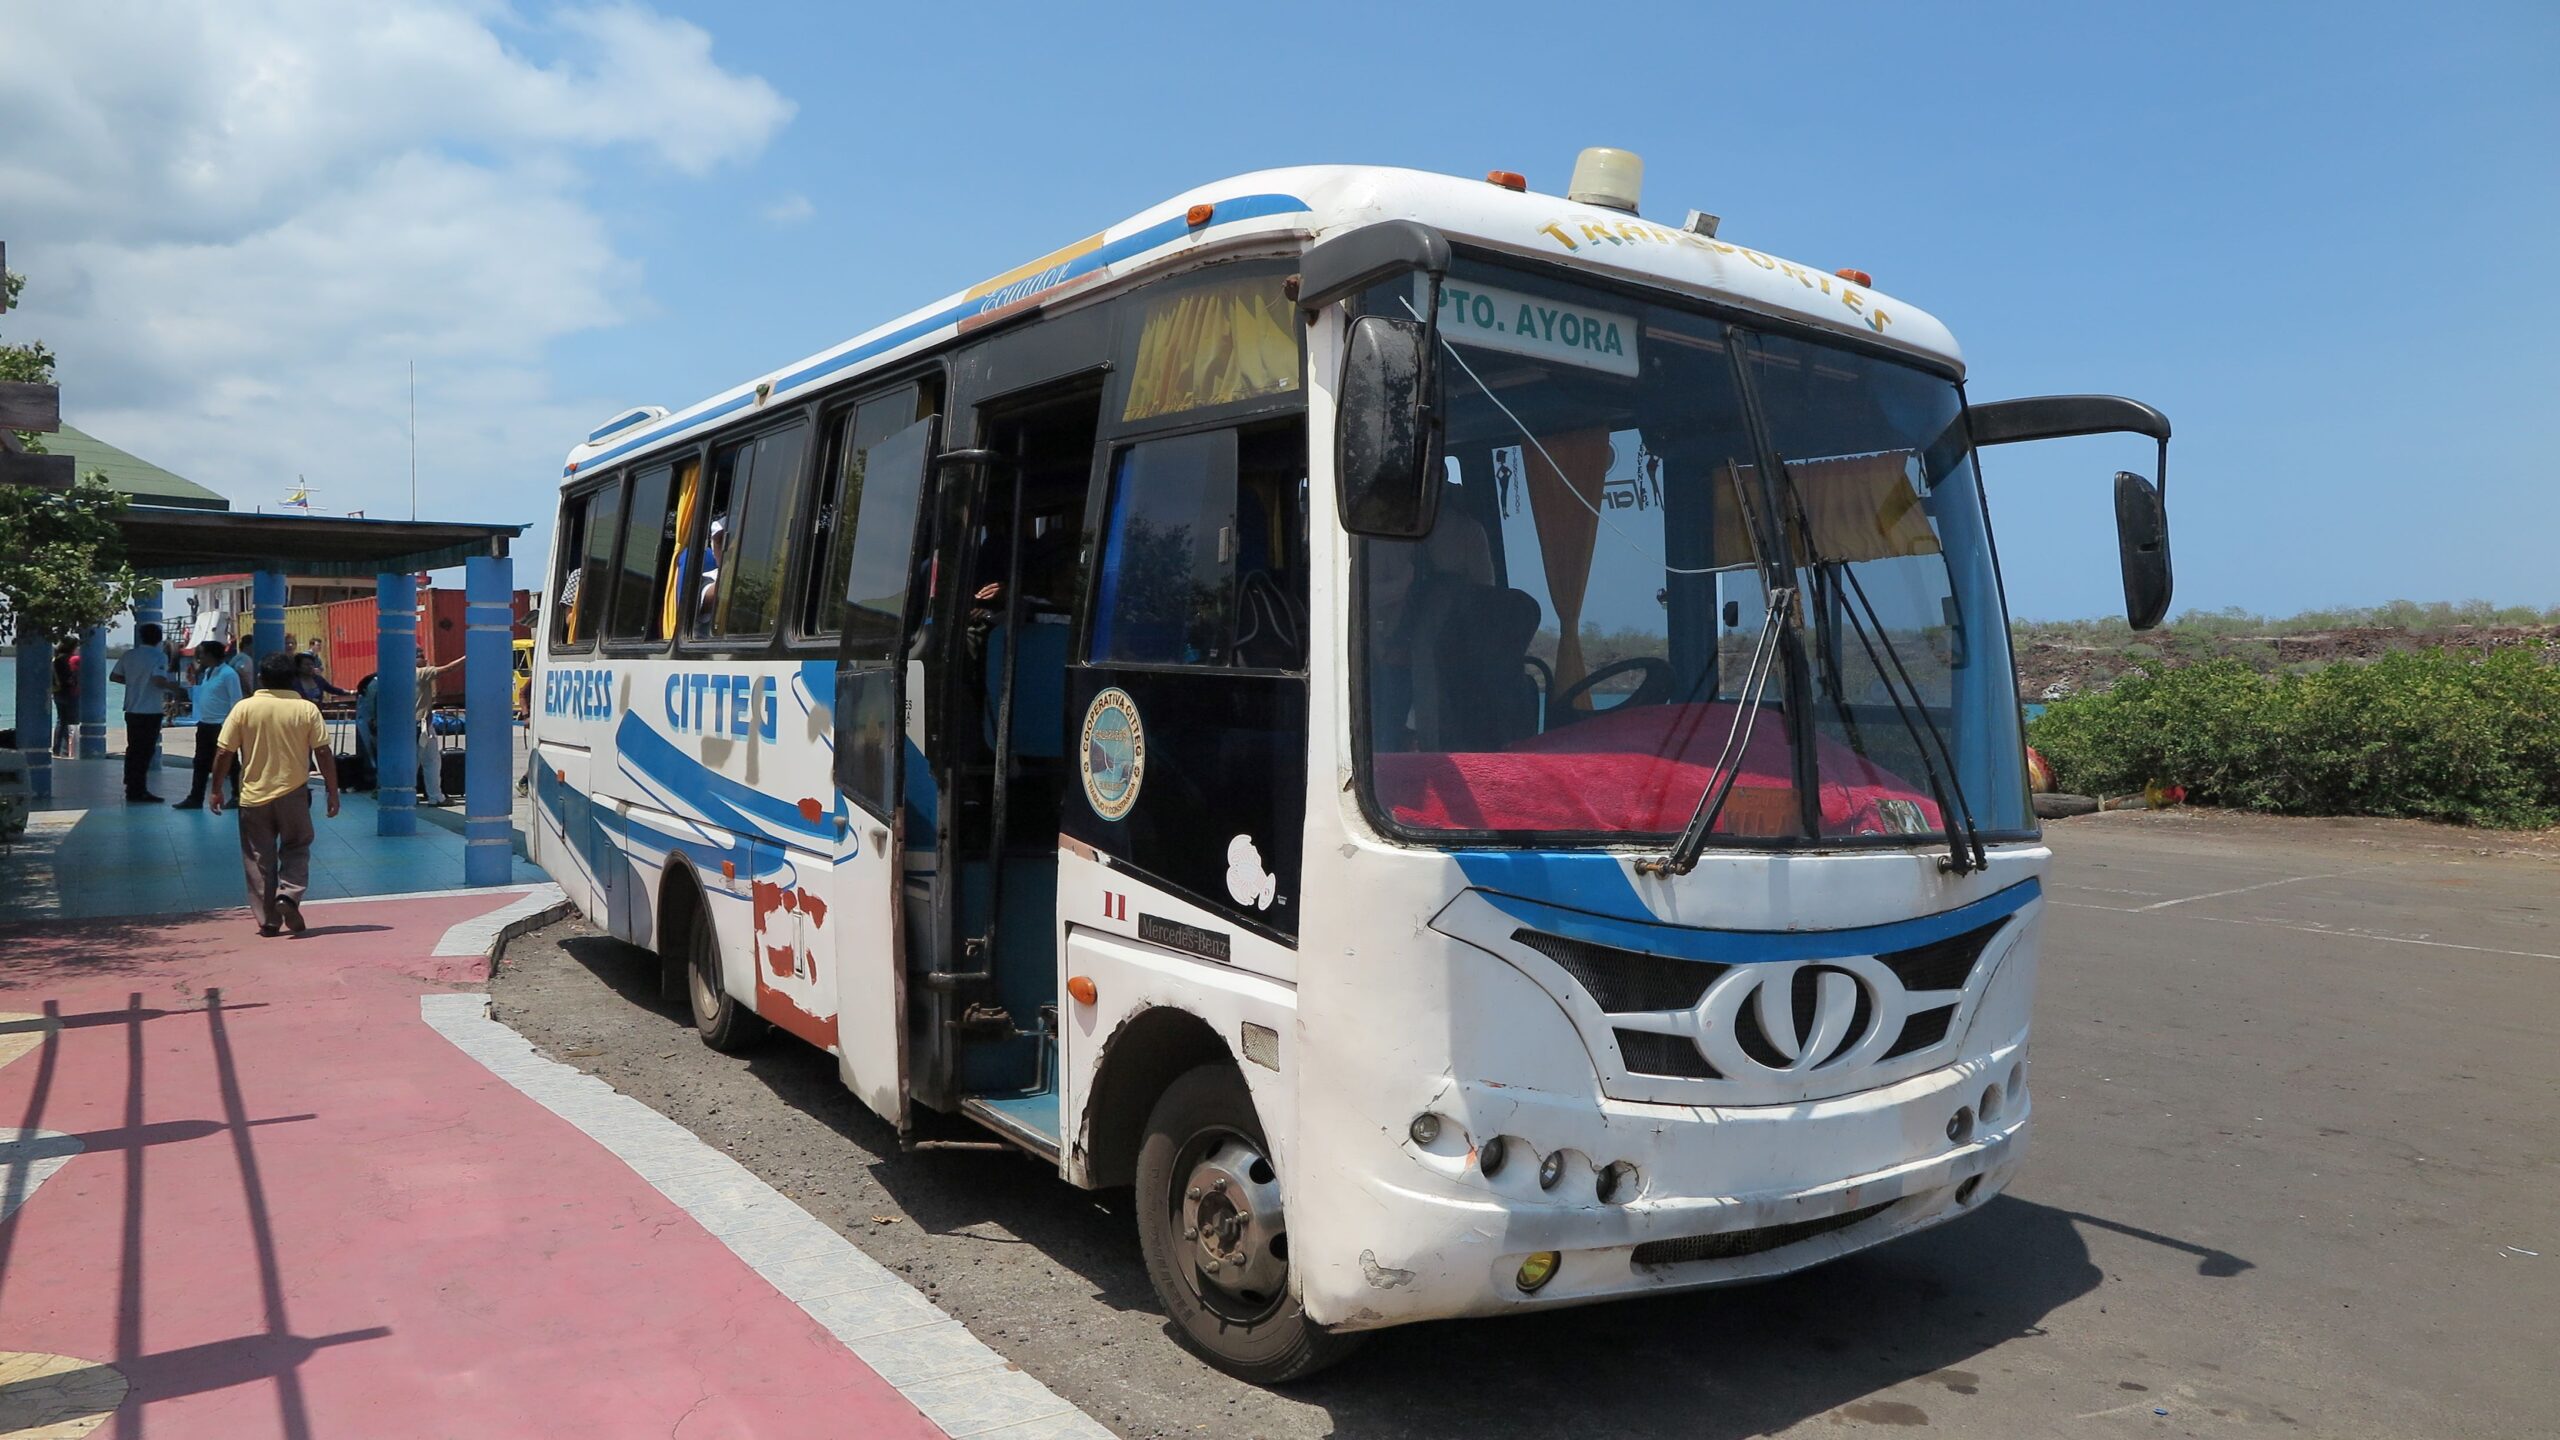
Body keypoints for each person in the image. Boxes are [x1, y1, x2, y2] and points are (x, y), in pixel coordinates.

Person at [209, 652, 340, 937]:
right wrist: (332, 790)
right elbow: (323, 752)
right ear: (292, 679)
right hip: (294, 793)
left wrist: (216, 789)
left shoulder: (244, 708)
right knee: (297, 845)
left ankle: (269, 920)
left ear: (261, 679)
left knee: (259, 858)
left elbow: (224, 752)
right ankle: (289, 895)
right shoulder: (306, 709)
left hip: (253, 797)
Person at [109, 623, 182, 803]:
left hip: (132, 709)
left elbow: (114, 676)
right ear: (158, 638)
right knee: (145, 752)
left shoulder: (129, 655)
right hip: (150, 710)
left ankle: (131, 785)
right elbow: (158, 680)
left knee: (133, 749)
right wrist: (175, 689)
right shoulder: (159, 657)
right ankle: (138, 790)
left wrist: (135, 682)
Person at [174, 640, 245, 809]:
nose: (199, 657)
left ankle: (237, 795)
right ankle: (195, 797)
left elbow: (236, 701)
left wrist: (234, 727)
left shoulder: (229, 674)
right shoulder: (208, 672)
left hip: (222, 725)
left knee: (231, 763)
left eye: (202, 653)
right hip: (205, 724)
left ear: (212, 655)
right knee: (200, 762)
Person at [416, 645, 463, 805]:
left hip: (414, 726)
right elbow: (447, 670)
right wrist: (467, 658)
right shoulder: (420, 673)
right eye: (421, 655)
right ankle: (435, 797)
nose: (426, 659)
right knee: (430, 762)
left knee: (424, 761)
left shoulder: (399, 674)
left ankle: (412, 796)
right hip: (420, 726)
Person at [50, 637, 78, 757]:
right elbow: (68, 678)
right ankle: (66, 749)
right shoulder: (66, 659)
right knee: (71, 722)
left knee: (61, 720)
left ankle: (58, 749)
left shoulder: (56, 658)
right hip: (68, 692)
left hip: (57, 692)